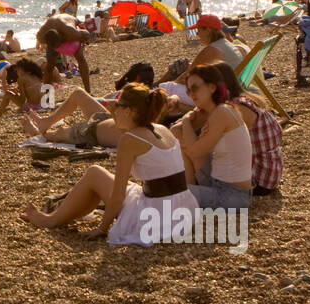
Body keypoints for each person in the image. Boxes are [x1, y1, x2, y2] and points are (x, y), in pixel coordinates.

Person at [18, 84, 198, 245]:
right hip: (183, 210)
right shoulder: (161, 129)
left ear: (129, 111)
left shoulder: (130, 140)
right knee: (112, 181)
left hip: (155, 217)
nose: (113, 108)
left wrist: (102, 228)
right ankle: (65, 213)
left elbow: (118, 195)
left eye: (118, 105)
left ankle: (51, 220)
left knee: (95, 173)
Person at [176, 64, 253, 211]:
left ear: (212, 87)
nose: (191, 94)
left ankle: (188, 193)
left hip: (233, 195)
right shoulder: (221, 110)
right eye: (188, 90)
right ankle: (190, 190)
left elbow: (195, 152)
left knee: (170, 194)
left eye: (195, 88)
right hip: (219, 182)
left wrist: (186, 120)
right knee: (177, 135)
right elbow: (193, 148)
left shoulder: (222, 113)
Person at [19, 87, 123, 148]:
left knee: (59, 134)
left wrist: (115, 112)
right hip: (106, 118)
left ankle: (37, 134)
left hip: (90, 133)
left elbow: (124, 133)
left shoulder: (135, 136)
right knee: (78, 93)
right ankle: (47, 122)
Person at [37, 14, 93, 92]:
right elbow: (42, 41)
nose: (58, 48)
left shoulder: (71, 31)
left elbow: (87, 34)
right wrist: (53, 46)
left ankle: (88, 91)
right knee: (50, 65)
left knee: (80, 58)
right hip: (54, 32)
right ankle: (47, 95)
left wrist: (78, 41)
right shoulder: (41, 35)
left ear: (61, 37)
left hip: (70, 26)